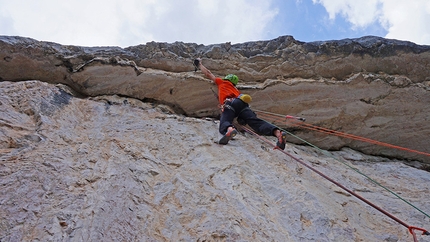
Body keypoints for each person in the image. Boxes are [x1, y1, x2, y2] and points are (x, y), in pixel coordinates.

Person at [194, 58, 287, 149]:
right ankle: (278, 133)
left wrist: (199, 64)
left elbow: (208, 73)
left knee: (225, 120)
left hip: (230, 103)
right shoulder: (236, 90)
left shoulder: (222, 82)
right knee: (256, 122)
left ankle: (229, 130)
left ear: (227, 78)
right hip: (242, 103)